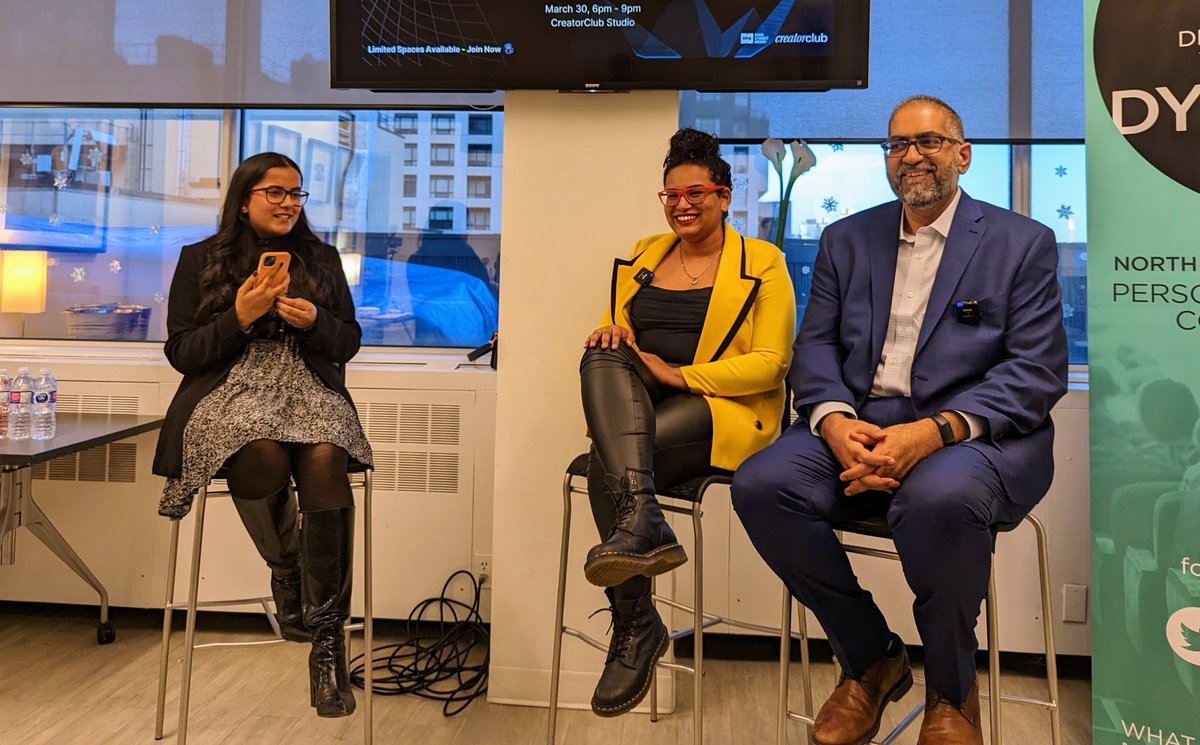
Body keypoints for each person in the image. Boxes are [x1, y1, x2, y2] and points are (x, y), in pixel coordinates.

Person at [731, 96, 1068, 745]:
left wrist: (933, 432)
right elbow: (816, 346)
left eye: (929, 141)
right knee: (762, 485)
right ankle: (870, 658)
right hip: (860, 424)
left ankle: (952, 691)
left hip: (975, 435)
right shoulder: (846, 239)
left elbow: (1037, 370)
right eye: (897, 144)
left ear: (963, 155)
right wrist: (833, 422)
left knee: (937, 498)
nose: (911, 155)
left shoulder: (1022, 243)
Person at [578, 128, 795, 717]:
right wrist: (616, 333)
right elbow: (617, 336)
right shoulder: (643, 255)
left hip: (725, 409)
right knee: (600, 351)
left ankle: (634, 625)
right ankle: (644, 528)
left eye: (695, 193)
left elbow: (772, 363)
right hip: (645, 411)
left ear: (723, 197)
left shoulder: (763, 262)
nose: (682, 205)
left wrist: (678, 375)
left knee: (608, 464)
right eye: (671, 196)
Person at [153, 152, 373, 718]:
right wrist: (241, 316)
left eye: (296, 193)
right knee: (259, 451)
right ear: (244, 200)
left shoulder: (322, 258)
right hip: (229, 390)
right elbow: (182, 352)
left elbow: (348, 342)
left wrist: (315, 322)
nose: (288, 203)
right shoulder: (199, 259)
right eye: (275, 192)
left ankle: (327, 642)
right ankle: (287, 568)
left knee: (326, 452)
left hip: (308, 385)